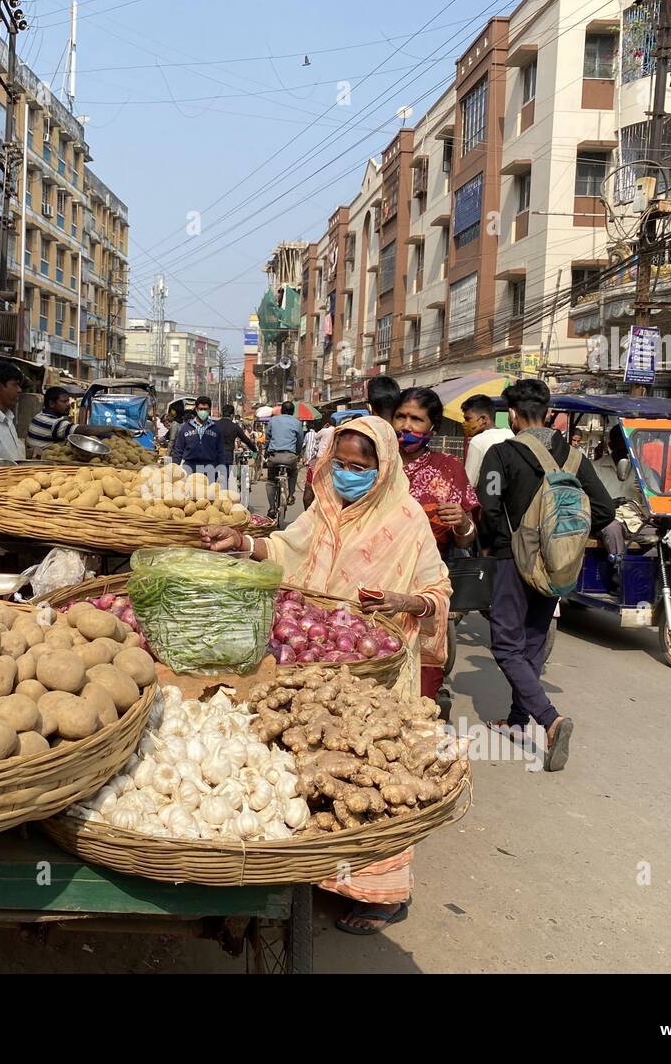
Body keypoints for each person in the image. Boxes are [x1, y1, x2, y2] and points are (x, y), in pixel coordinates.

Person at [200, 417, 451, 935]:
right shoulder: (325, 507)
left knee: (375, 771)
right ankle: (317, 866)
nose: (348, 475)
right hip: (315, 657)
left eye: (360, 467)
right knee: (314, 760)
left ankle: (381, 893)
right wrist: (244, 544)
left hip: (376, 666)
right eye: (341, 464)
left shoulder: (406, 519)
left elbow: (439, 591)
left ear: (383, 468)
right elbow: (287, 550)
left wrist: (407, 601)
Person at [477, 379, 614, 772]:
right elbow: (603, 510)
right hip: (558, 565)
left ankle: (550, 720)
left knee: (505, 645)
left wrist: (491, 546)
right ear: (551, 413)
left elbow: (487, 506)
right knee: (533, 642)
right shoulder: (574, 457)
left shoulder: (501, 453)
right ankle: (518, 721)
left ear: (513, 415)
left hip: (511, 559)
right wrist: (564, 539)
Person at [392, 387, 479, 700]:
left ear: (433, 428)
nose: (406, 425)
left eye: (416, 419)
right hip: (376, 582)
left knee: (422, 686)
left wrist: (463, 522)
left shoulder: (449, 469)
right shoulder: (377, 463)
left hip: (425, 588)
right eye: (401, 416)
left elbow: (466, 538)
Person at [25, 386, 113, 457]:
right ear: (51, 404)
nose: (68, 404)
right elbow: (84, 430)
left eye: (68, 401)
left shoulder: (39, 416)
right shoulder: (54, 423)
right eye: (64, 401)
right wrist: (113, 428)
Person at [264, 399, 306, 518]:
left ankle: (272, 507)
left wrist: (267, 451)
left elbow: (267, 438)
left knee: (271, 481)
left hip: (274, 456)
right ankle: (291, 495)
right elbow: (300, 441)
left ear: (281, 411)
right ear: (293, 412)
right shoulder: (297, 422)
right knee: (293, 473)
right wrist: (297, 454)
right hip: (290, 457)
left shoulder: (273, 420)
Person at [462, 392, 513, 487]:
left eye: (468, 419)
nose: (464, 423)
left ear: (483, 419)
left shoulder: (478, 441)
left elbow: (468, 483)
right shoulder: (510, 434)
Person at [168, 394, 222, 474]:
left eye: (205, 409)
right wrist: (174, 468)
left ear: (209, 410)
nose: (203, 411)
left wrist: (221, 470)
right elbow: (178, 450)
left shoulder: (216, 429)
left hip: (210, 468)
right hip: (189, 467)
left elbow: (220, 452)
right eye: (201, 409)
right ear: (196, 409)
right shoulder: (186, 428)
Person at [214, 402, 257, 485]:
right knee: (224, 480)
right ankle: (223, 495)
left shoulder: (214, 425)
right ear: (232, 415)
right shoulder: (235, 427)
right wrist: (254, 449)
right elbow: (246, 440)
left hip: (214, 455)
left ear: (221, 413)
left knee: (212, 480)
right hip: (227, 456)